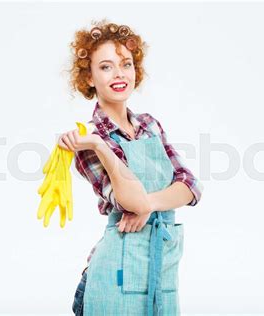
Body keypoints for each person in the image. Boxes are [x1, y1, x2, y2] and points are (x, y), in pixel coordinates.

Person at [58, 19, 204, 315]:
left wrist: (147, 205)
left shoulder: (150, 125)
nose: (119, 74)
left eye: (126, 64)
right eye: (106, 66)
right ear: (88, 77)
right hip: (113, 278)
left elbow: (191, 186)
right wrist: (100, 144)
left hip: (160, 269)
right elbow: (129, 199)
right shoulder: (86, 143)